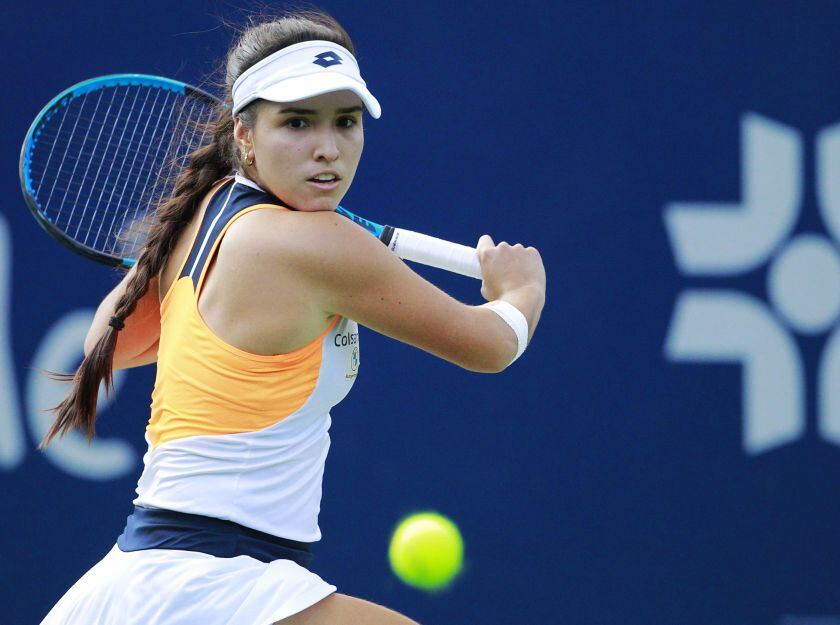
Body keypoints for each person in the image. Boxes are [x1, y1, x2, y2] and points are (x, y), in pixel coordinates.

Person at [38, 10, 545, 625]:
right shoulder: (316, 244)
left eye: (346, 122)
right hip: (210, 585)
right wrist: (520, 291)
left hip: (141, 582)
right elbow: (488, 346)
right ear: (245, 134)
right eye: (297, 122)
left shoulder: (204, 217)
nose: (327, 147)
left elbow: (109, 343)